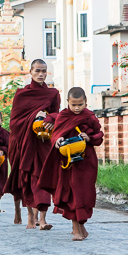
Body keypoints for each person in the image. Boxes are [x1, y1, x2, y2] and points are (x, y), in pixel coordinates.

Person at [39, 87, 104, 241]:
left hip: (86, 161)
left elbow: (99, 136)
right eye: (73, 104)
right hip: (68, 162)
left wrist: (89, 137)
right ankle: (76, 230)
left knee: (84, 193)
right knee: (73, 193)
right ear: (67, 102)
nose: (76, 108)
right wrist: (58, 140)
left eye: (80, 105)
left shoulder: (90, 117)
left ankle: (81, 227)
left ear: (86, 103)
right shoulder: (63, 116)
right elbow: (55, 135)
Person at [4, 59, 60, 230]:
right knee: (27, 179)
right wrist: (34, 116)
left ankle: (42, 219)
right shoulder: (21, 94)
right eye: (37, 71)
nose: (41, 74)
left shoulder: (53, 94)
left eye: (44, 71)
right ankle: (30, 215)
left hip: (43, 142)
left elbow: (57, 115)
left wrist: (49, 117)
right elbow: (14, 122)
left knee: (43, 178)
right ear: (30, 72)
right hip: (24, 142)